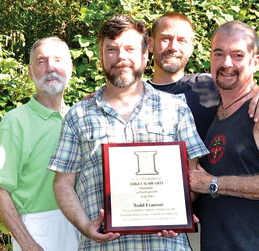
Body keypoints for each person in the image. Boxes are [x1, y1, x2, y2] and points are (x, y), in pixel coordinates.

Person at [48, 15, 209, 250]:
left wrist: (180, 209)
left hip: (166, 245)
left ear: (145, 55)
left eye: (130, 48)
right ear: (101, 56)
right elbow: (62, 183)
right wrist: (85, 225)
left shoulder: (175, 109)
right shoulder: (78, 115)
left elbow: (194, 173)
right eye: (111, 49)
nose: (121, 56)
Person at [189, 21, 259, 250]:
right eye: (219, 53)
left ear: (255, 62)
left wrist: (213, 184)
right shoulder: (214, 109)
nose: (226, 63)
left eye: (237, 55)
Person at [0, 37, 79, 251]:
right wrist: (28, 244)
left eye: (58, 60)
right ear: (30, 72)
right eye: (42, 61)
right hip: (36, 232)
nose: (51, 68)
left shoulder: (78, 118)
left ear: (70, 68)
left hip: (80, 227)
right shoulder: (14, 122)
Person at [148, 12, 259, 140]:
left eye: (182, 41)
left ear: (191, 48)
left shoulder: (210, 85)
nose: (173, 47)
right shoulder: (136, 95)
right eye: (166, 39)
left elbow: (248, 91)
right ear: (150, 44)